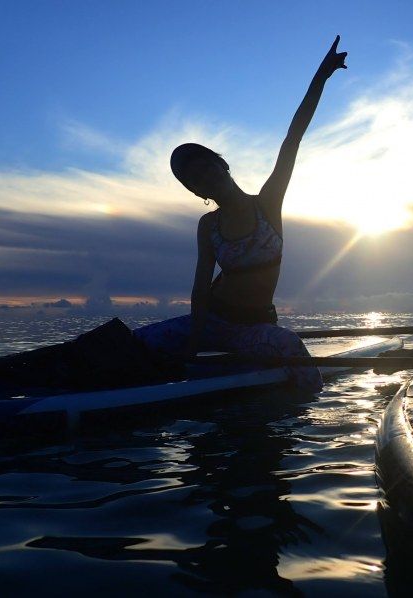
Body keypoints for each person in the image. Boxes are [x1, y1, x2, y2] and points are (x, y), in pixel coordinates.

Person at [133, 36, 348, 392]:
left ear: (222, 165)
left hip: (254, 330)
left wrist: (321, 77)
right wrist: (192, 345)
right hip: (211, 323)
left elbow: (293, 136)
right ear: (195, 192)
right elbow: (200, 289)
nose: (203, 180)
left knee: (292, 347)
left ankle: (304, 414)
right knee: (134, 341)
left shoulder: (267, 203)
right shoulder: (208, 225)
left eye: (206, 169)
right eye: (193, 180)